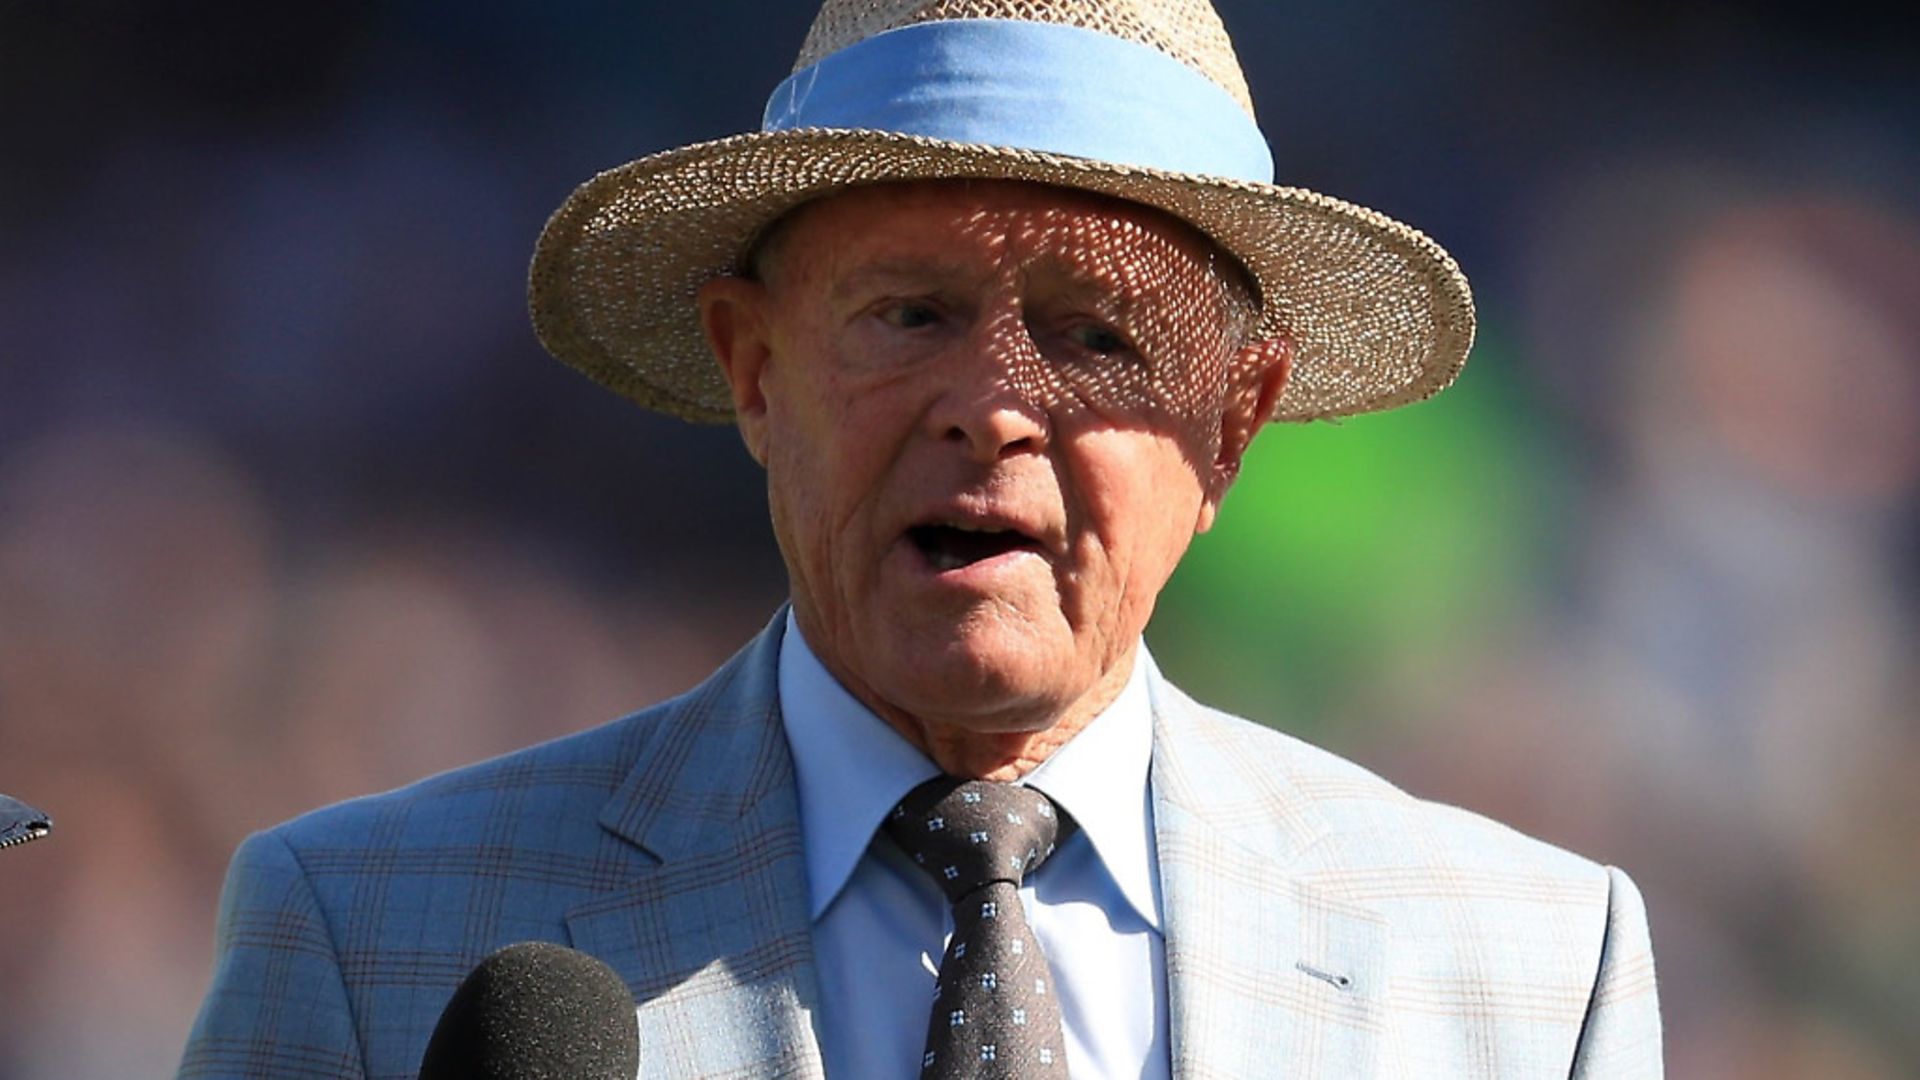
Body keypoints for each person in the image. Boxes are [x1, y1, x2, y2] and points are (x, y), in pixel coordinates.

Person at [180, 1, 1662, 1077]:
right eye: (911, 315)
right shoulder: (372, 936)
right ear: (753, 370)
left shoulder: (1527, 976)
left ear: (1234, 425)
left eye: (1093, 335)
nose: (991, 411)